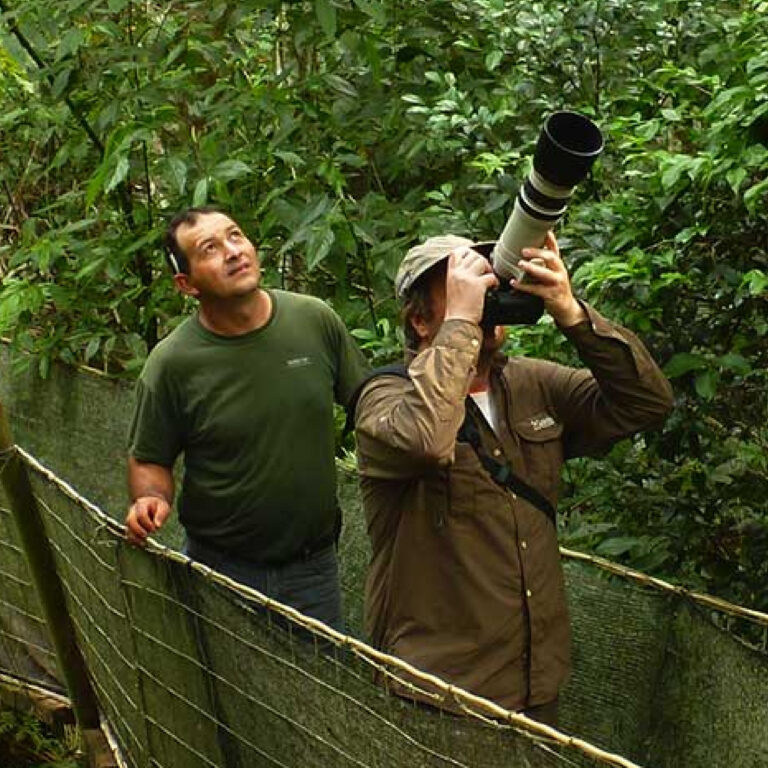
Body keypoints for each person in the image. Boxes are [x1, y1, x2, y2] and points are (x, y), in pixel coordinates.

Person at [352, 232, 674, 724]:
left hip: (536, 682)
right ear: (420, 320)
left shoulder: (531, 384)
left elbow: (647, 404)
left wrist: (570, 311)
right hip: (441, 693)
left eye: (487, 280)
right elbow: (426, 439)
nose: (485, 293)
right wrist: (461, 321)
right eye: (463, 284)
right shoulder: (386, 399)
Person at [126, 206, 368, 631]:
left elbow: (369, 405)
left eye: (235, 236)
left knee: (317, 692)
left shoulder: (314, 320)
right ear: (186, 284)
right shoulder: (172, 363)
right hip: (220, 570)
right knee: (224, 693)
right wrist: (152, 500)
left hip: (314, 567)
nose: (233, 252)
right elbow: (149, 457)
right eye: (210, 249)